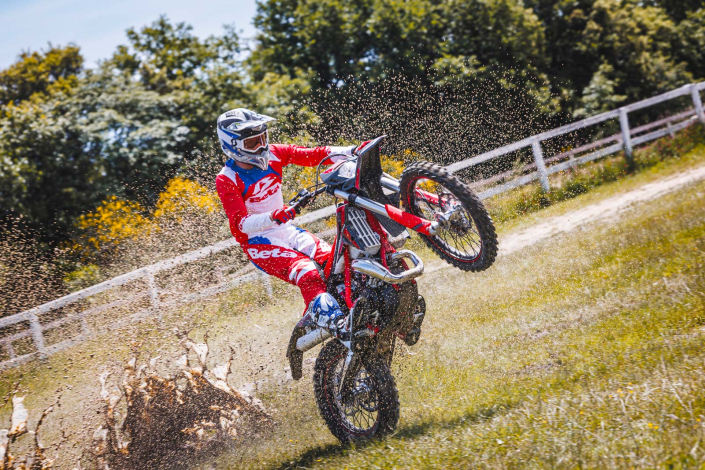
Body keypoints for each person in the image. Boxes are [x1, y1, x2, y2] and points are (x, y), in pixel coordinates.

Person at [215, 108, 365, 341]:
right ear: (232, 146)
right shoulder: (227, 178)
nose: (261, 147)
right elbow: (240, 224)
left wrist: (352, 151)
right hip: (258, 242)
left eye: (263, 138)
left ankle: (345, 308)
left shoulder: (274, 154)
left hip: (285, 230)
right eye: (252, 143)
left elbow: (315, 155)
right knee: (307, 271)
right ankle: (339, 328)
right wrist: (274, 216)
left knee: (336, 261)